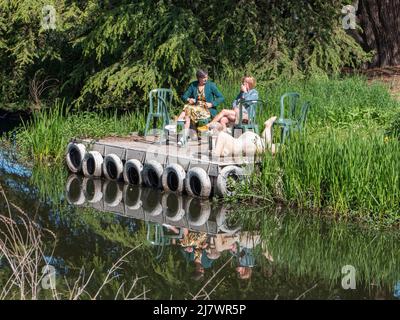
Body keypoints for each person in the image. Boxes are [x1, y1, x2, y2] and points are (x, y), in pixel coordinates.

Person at [177, 70, 225, 145]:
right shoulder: (193, 85)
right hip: (195, 110)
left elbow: (221, 97)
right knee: (188, 113)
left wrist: (212, 104)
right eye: (203, 78)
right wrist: (189, 99)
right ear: (198, 78)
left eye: (206, 77)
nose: (205, 79)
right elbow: (184, 96)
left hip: (207, 110)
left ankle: (177, 122)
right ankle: (184, 137)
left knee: (187, 108)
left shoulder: (211, 85)